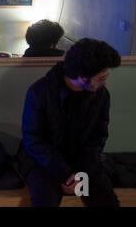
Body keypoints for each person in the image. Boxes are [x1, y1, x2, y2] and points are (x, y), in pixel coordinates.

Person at [16, 38, 121, 207]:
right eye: (101, 78)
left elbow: (98, 136)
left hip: (83, 161)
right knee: (45, 201)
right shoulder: (40, 92)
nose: (104, 83)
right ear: (82, 76)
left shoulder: (101, 95)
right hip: (43, 161)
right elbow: (34, 140)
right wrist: (65, 174)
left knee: (107, 201)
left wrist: (81, 172)